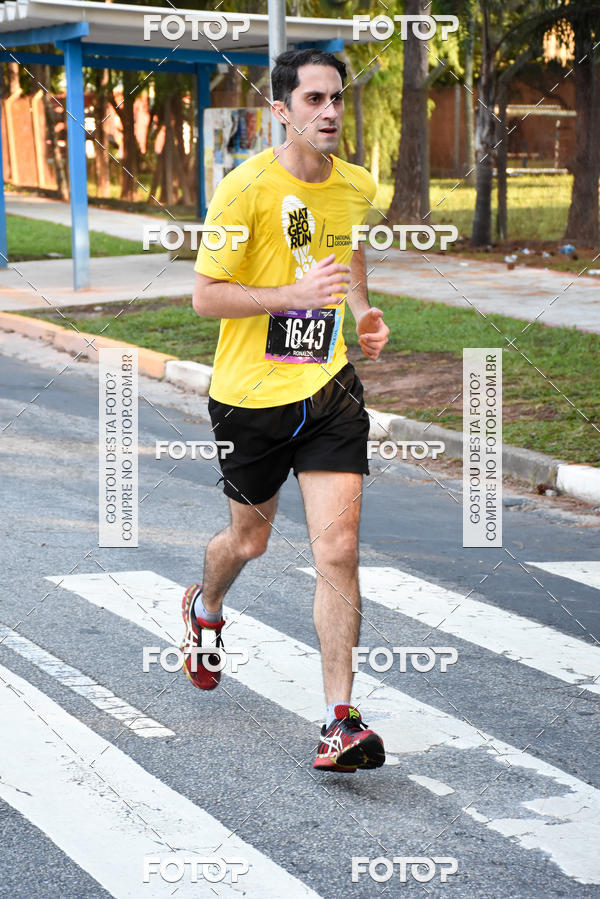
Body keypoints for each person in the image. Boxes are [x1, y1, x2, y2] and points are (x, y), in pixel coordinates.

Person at [181, 48, 390, 773]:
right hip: (251, 400)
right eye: (313, 100)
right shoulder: (246, 190)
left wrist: (360, 309)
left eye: (336, 99)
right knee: (249, 542)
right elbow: (206, 295)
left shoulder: (356, 184)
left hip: (328, 390)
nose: (329, 112)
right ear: (281, 111)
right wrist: (289, 298)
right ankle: (204, 608)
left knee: (339, 548)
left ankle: (340, 721)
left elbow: (347, 243)